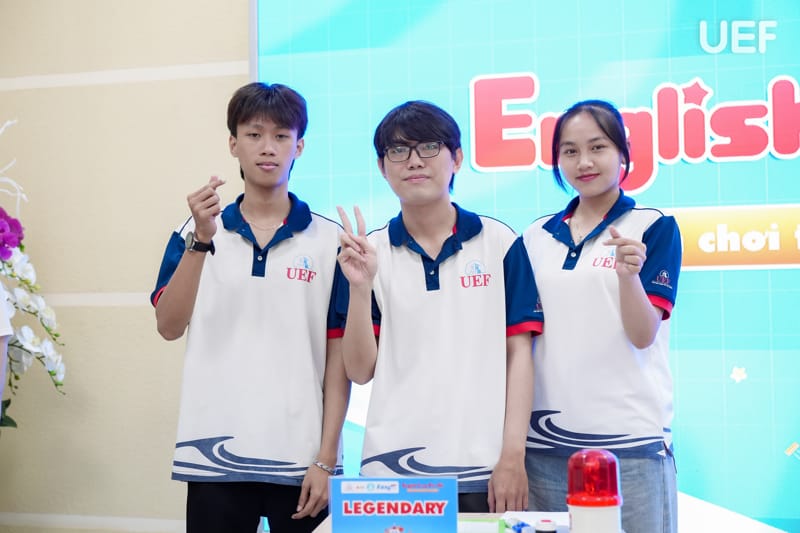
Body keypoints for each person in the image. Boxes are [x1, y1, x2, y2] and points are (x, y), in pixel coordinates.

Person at [150, 82, 350, 533]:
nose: (268, 147)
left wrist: (326, 459)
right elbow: (168, 325)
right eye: (254, 134)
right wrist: (202, 240)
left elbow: (338, 360)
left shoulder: (330, 240)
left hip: (302, 462)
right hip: (212, 455)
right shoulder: (195, 229)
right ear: (233, 143)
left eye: (281, 136)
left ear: (299, 146)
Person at [334, 100, 541, 513]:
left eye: (429, 147)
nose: (414, 161)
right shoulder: (367, 253)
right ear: (382, 167)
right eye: (398, 150)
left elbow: (520, 354)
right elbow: (359, 370)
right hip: (391, 472)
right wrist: (360, 288)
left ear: (457, 158)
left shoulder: (499, 242)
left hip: (485, 469)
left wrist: (513, 456)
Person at [522, 99, 682, 533]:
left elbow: (644, 333)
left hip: (629, 446)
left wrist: (628, 277)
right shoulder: (535, 236)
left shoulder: (652, 226)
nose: (584, 162)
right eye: (570, 151)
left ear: (622, 153)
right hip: (543, 447)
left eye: (597, 147)